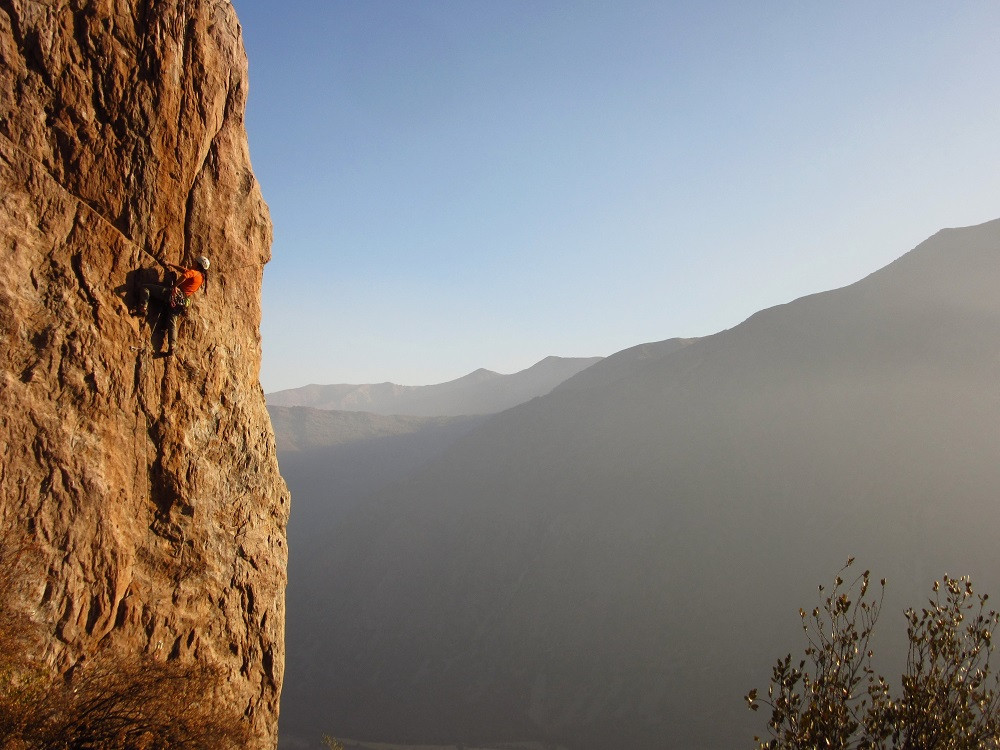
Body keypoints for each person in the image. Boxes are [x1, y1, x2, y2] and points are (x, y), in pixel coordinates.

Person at [138, 256, 210, 355]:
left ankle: (143, 306)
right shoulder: (201, 277)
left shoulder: (194, 272)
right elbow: (184, 270)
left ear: (198, 265)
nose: (192, 263)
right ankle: (172, 346)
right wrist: (170, 264)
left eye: (194, 262)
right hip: (182, 302)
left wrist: (174, 286)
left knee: (146, 288)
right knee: (172, 322)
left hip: (174, 294)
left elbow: (185, 275)